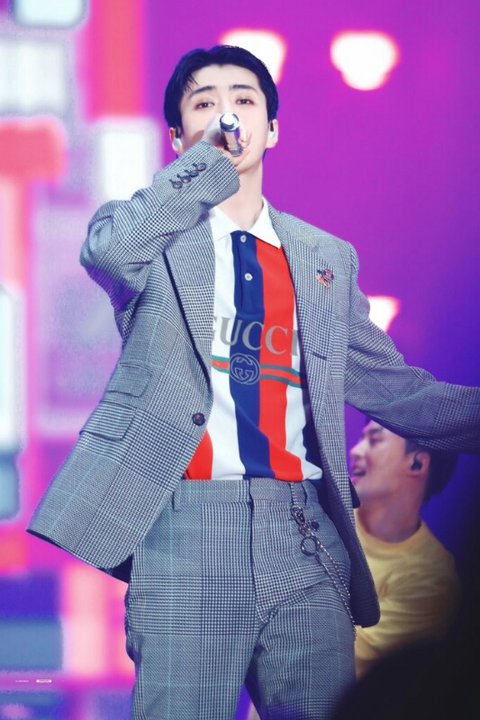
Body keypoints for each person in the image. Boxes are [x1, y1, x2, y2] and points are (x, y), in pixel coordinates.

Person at [27, 45, 480, 720]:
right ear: (177, 136)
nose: (227, 115)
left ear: (273, 129)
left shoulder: (323, 258)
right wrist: (205, 165)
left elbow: (397, 392)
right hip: (186, 530)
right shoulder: (149, 239)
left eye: (244, 100)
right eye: (204, 103)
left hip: (302, 532)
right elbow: (110, 252)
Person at [350, 419, 461, 679]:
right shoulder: (321, 516)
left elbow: (335, 658)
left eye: (374, 440)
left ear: (417, 464)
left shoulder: (432, 581)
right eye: (361, 438)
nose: (355, 451)